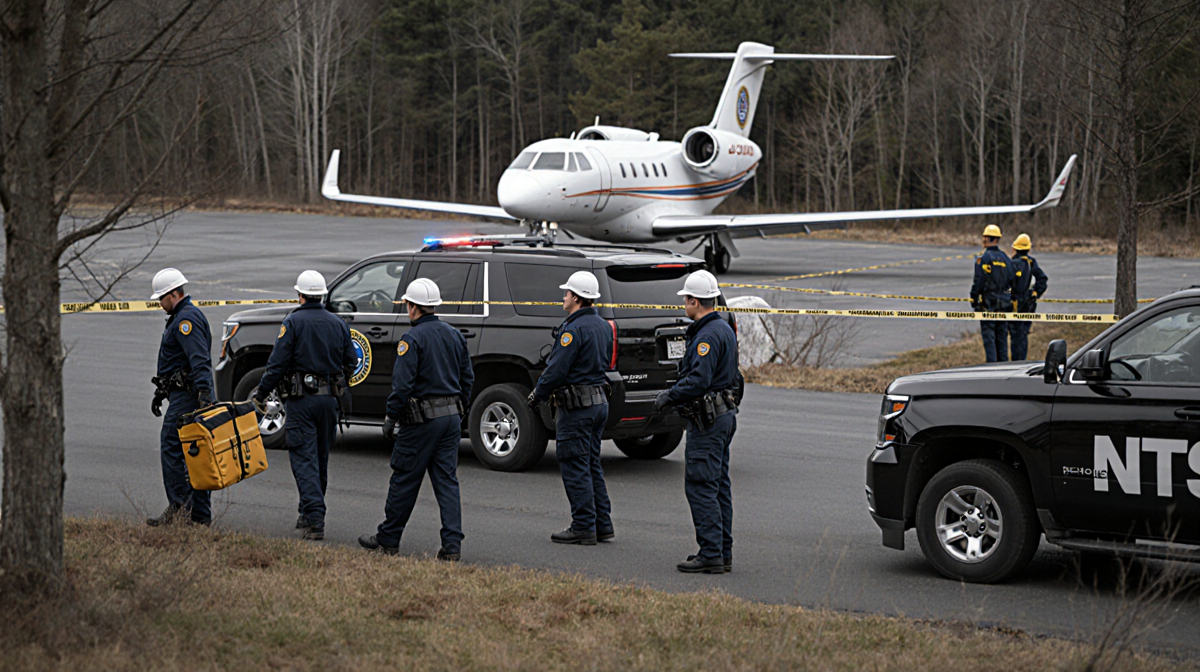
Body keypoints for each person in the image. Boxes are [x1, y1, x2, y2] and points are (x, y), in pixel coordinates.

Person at [359, 278, 474, 560]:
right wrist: (460, 409)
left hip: (422, 421)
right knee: (446, 482)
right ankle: (452, 546)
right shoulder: (454, 334)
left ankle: (388, 539)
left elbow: (402, 385)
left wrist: (390, 416)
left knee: (404, 479)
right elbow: (467, 378)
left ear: (413, 308)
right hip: (450, 419)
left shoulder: (412, 339)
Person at [254, 270, 356, 541]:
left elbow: (277, 365)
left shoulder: (293, 322)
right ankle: (306, 512)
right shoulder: (338, 323)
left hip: (301, 401)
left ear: (300, 295)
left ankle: (314, 519)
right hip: (328, 402)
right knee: (320, 459)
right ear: (322, 295)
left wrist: (261, 392)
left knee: (303, 459)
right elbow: (351, 361)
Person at [654, 270, 739, 574]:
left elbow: (699, 381)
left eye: (686, 300)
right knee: (718, 486)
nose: (684, 305)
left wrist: (669, 396)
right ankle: (722, 551)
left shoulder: (706, 335)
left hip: (709, 420)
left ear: (694, 301)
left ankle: (710, 554)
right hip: (723, 415)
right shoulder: (725, 328)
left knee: (701, 485)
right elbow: (736, 377)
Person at [528, 271, 614, 545]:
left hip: (577, 408)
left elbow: (556, 370)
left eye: (567, 293)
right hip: (598, 403)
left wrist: (536, 395)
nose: (563, 296)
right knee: (591, 464)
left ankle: (583, 526)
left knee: (575, 464)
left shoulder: (572, 330)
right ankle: (602, 524)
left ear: (576, 297)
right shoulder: (602, 325)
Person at [148, 268, 215, 526]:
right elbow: (179, 363)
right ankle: (197, 517)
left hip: (189, 398)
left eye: (161, 298)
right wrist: (161, 391)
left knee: (172, 447)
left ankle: (181, 510)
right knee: (195, 454)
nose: (159, 304)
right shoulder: (181, 316)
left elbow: (199, 361)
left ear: (173, 294)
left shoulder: (186, 320)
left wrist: (204, 396)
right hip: (185, 395)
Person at [969, 224, 1015, 363]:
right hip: (1004, 304)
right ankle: (1003, 368)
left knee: (990, 341)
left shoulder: (984, 257)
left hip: (989, 304)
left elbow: (979, 280)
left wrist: (974, 299)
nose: (983, 240)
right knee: (1001, 340)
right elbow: (1012, 279)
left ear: (991, 239)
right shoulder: (1006, 258)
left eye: (985, 237)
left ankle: (992, 370)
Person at [1008, 233, 1049, 361]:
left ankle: (1016, 362)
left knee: (1016, 335)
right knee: (1023, 334)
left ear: (1015, 248)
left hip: (1014, 304)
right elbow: (1042, 279)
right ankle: (1021, 360)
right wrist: (1035, 293)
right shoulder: (1031, 262)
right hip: (1028, 304)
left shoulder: (1012, 263)